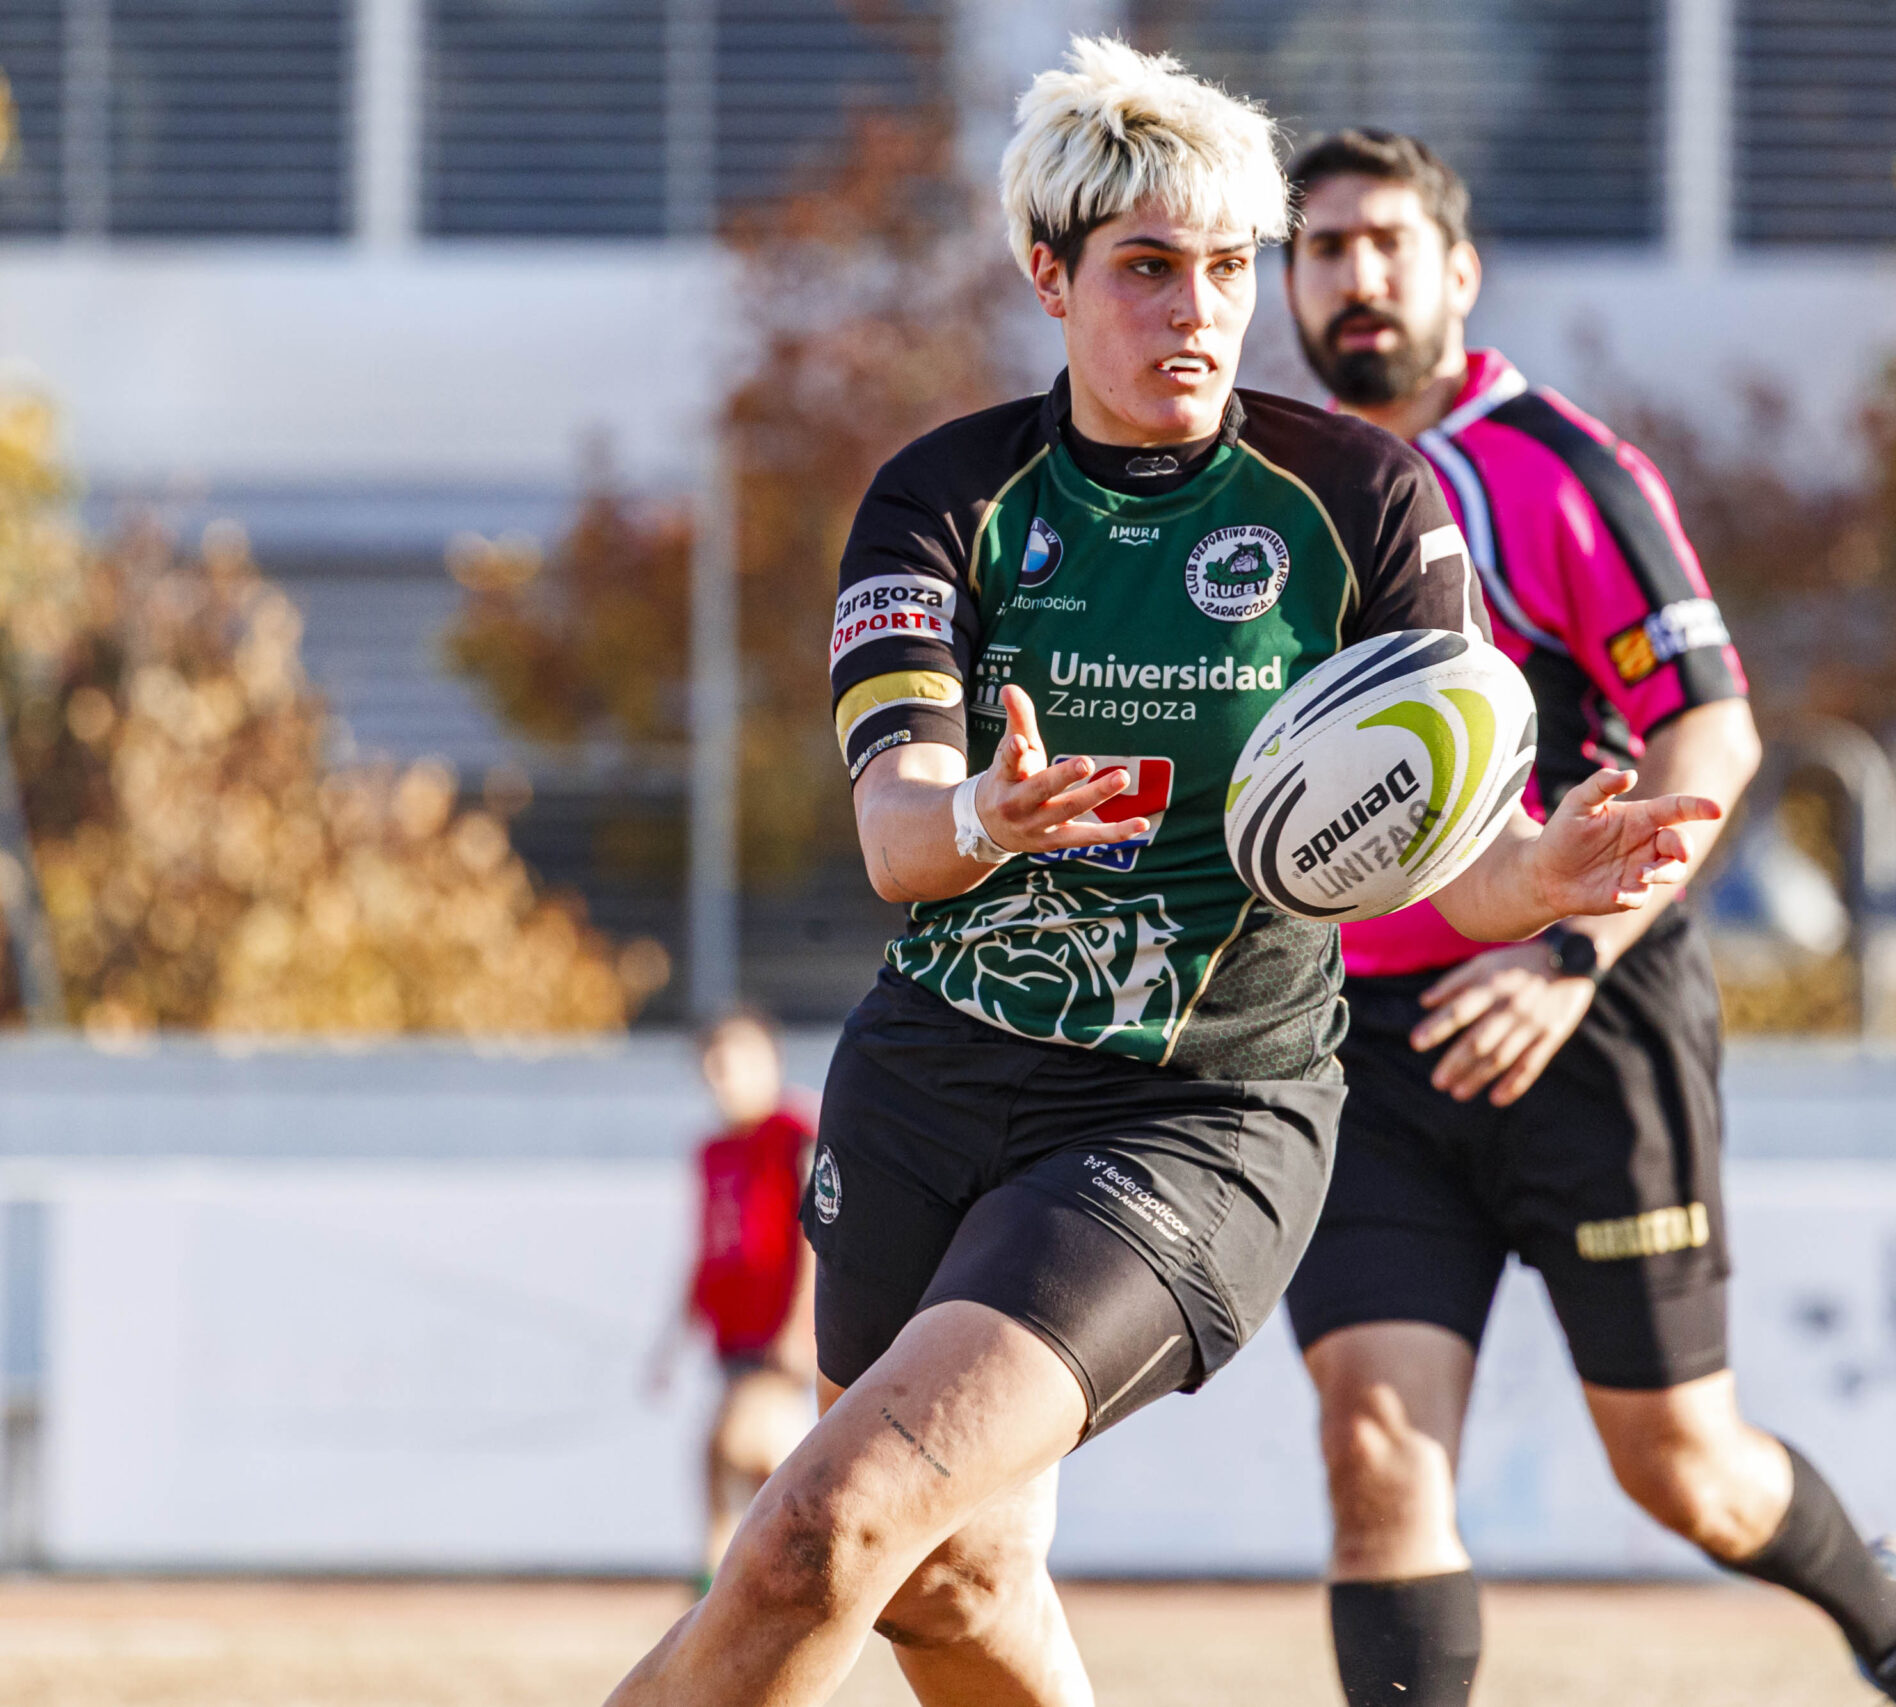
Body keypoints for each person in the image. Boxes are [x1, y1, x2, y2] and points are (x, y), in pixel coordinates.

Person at [604, 43, 1723, 1707]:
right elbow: (899, 839)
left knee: (820, 1529)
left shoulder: (1363, 499)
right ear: (1046, 274)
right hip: (930, 1081)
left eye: (1226, 268)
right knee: (949, 1576)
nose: (1198, 310)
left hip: (1196, 1115)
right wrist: (986, 811)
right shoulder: (943, 497)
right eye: (1146, 269)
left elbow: (1441, 874)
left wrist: (1540, 873)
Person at [1279, 129, 1896, 1707]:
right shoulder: (1268, 496)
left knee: (1681, 1465)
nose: (1355, 277)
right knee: (1372, 1444)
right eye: (1323, 249)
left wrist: (1566, 955)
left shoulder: (1559, 468)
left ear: (1458, 272)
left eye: (1385, 243)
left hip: (1587, 1016)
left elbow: (1713, 731)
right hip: (1358, 1042)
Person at [645, 1009, 820, 1589]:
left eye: (733, 1064)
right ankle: (728, 1577)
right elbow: (707, 1250)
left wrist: (800, 1327)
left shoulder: (795, 1135)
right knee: (728, 1459)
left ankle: (746, 1581)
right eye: (712, 1067)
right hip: (733, 1336)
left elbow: (815, 1234)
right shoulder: (713, 1151)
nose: (721, 1079)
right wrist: (670, 1343)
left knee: (739, 1443)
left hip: (780, 1337)